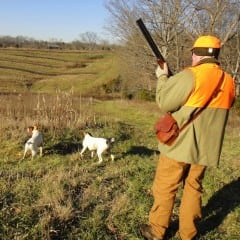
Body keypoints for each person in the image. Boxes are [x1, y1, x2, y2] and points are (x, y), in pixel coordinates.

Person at [139, 35, 235, 240]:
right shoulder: (229, 81)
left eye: (193, 53)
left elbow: (165, 102)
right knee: (193, 188)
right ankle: (188, 234)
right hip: (206, 149)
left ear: (197, 54)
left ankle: (156, 231)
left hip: (179, 145)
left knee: (165, 187)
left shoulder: (191, 75)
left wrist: (162, 77)